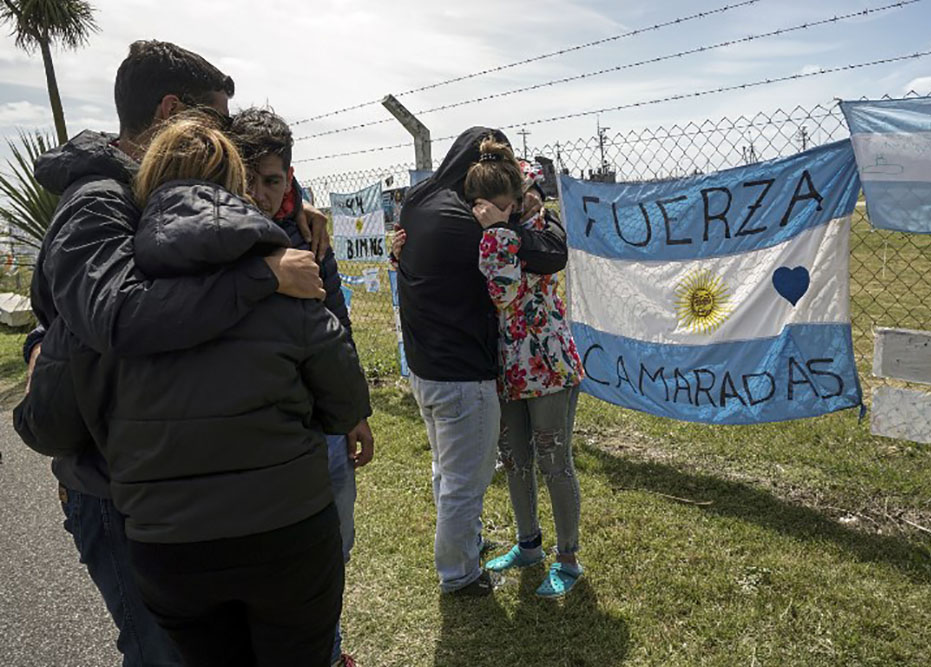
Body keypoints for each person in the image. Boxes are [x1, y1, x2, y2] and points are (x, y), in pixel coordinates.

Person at [20, 113, 371, 666]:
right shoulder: (285, 275)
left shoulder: (107, 295)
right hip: (289, 531)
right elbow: (344, 401)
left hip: (168, 546)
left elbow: (49, 425)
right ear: (236, 185)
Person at [393, 150, 586, 597]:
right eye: (475, 200)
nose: (478, 210)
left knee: (554, 461)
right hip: (504, 364)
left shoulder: (534, 230)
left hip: (546, 363)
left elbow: (503, 291)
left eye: (492, 201)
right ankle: (529, 544)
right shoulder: (483, 233)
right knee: (516, 462)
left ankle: (568, 559)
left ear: (517, 200)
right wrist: (401, 252)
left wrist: (499, 231)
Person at [231, 106, 371, 667]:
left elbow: (337, 320)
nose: (261, 195)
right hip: (258, 430)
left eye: (273, 181)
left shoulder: (308, 231)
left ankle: (328, 647)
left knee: (335, 544)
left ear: (290, 179)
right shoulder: (211, 238)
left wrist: (353, 409)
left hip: (322, 422)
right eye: (250, 180)